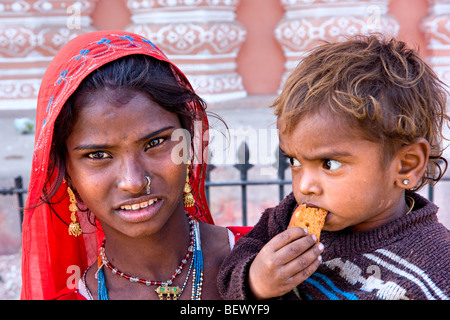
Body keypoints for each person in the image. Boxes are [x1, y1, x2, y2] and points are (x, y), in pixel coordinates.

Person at [218, 35, 450, 300]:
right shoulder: (286, 220)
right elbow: (235, 265)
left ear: (406, 166)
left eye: (329, 164)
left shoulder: (435, 273)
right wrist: (256, 281)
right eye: (294, 161)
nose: (304, 186)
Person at [21, 30, 233, 300]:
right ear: (67, 174)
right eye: (98, 155)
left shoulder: (270, 263)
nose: (133, 182)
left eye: (155, 142)